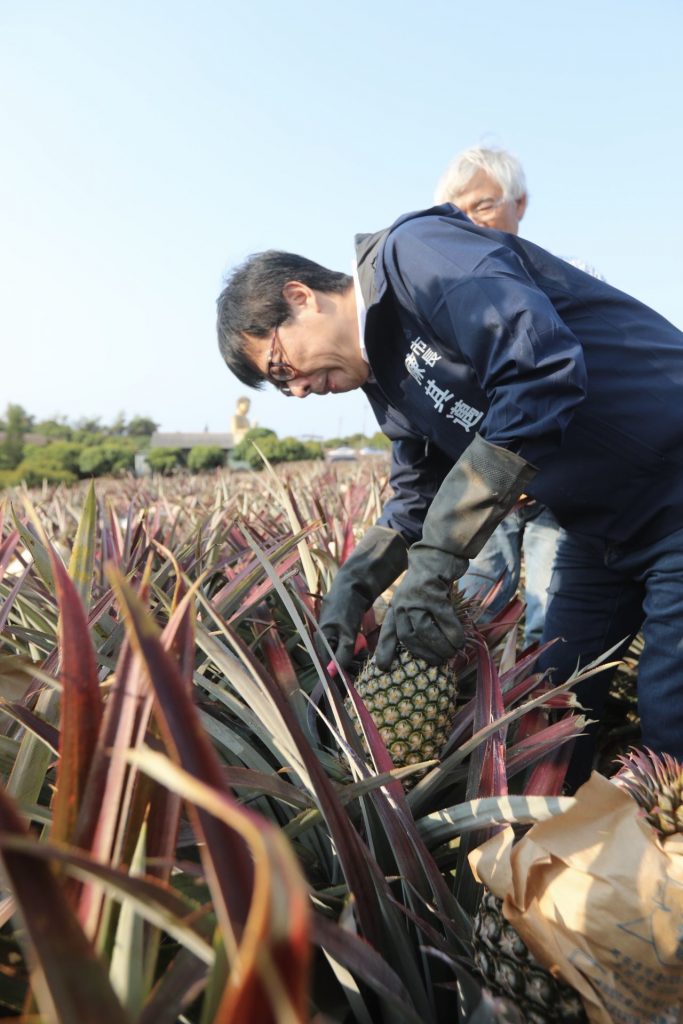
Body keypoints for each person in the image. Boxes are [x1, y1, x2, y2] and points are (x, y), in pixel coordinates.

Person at [215, 205, 683, 790]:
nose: (301, 389)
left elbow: (538, 367)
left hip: (672, 485)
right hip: (599, 529)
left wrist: (438, 562)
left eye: (284, 366)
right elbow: (417, 493)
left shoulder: (417, 258)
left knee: (670, 714)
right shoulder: (384, 381)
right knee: (556, 707)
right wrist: (354, 585)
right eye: (284, 389)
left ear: (302, 296)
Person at [434, 146, 597, 643]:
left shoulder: (570, 275)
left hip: (559, 483)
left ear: (519, 204)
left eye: (483, 205)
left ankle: (546, 715)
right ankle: (477, 712)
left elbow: (584, 382)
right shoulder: (448, 300)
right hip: (490, 485)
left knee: (552, 613)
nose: (471, 222)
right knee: (475, 604)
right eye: (457, 213)